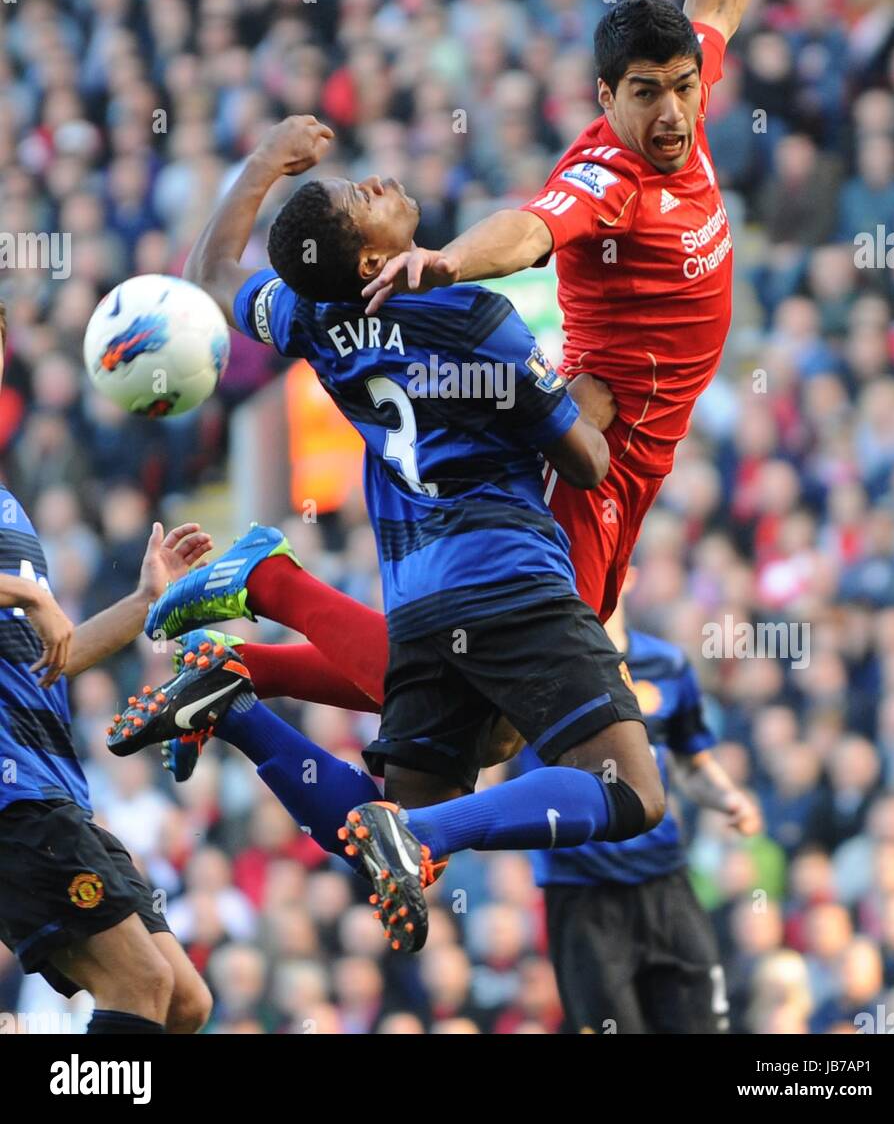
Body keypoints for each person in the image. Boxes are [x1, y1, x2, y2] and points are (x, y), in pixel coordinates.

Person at [111, 113, 666, 951]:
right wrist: (588, 405)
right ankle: (424, 824)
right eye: (356, 197)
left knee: (383, 831)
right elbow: (586, 463)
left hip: (418, 605)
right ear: (373, 263)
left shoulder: (309, 318)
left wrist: (264, 163)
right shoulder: (475, 321)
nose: (375, 183)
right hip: (509, 578)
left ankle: (236, 703)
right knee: (631, 792)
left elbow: (211, 274)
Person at [363, 0, 809, 624]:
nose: (674, 112)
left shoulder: (684, 95)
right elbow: (532, 229)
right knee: (531, 686)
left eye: (684, 87)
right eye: (647, 94)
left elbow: (715, 2)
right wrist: (448, 260)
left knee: (528, 685)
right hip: (598, 448)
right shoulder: (613, 175)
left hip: (640, 446)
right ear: (607, 97)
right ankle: (266, 603)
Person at [0, 299, 213, 1033]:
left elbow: (50, 659)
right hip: (11, 801)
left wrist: (143, 600)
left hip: (50, 784)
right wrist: (28, 590)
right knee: (140, 984)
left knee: (186, 1002)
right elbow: (37, 612)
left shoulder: (8, 507)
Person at [520, 567, 762, 1035]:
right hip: (582, 890)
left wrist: (728, 798)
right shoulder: (533, 670)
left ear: (626, 573)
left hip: (664, 879)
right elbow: (493, 766)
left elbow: (692, 764)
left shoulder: (668, 665)